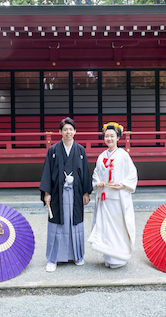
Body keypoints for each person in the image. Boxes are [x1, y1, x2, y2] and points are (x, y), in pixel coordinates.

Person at [40, 117, 92, 272]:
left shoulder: (80, 150)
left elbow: (85, 174)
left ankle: (77, 255)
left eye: (71, 129)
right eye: (65, 129)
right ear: (60, 132)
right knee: (57, 224)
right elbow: (48, 172)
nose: (68, 132)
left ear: (75, 131)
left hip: (75, 193)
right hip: (58, 194)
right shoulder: (53, 150)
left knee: (74, 223)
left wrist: (86, 192)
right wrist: (47, 193)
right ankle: (53, 258)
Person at [88, 122, 137, 269]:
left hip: (118, 197)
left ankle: (119, 257)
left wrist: (124, 184)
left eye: (112, 136)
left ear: (118, 138)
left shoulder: (123, 155)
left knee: (118, 227)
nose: (109, 138)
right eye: (107, 136)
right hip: (104, 197)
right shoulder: (102, 155)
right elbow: (96, 173)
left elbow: (132, 174)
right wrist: (98, 183)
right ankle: (108, 256)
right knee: (106, 227)